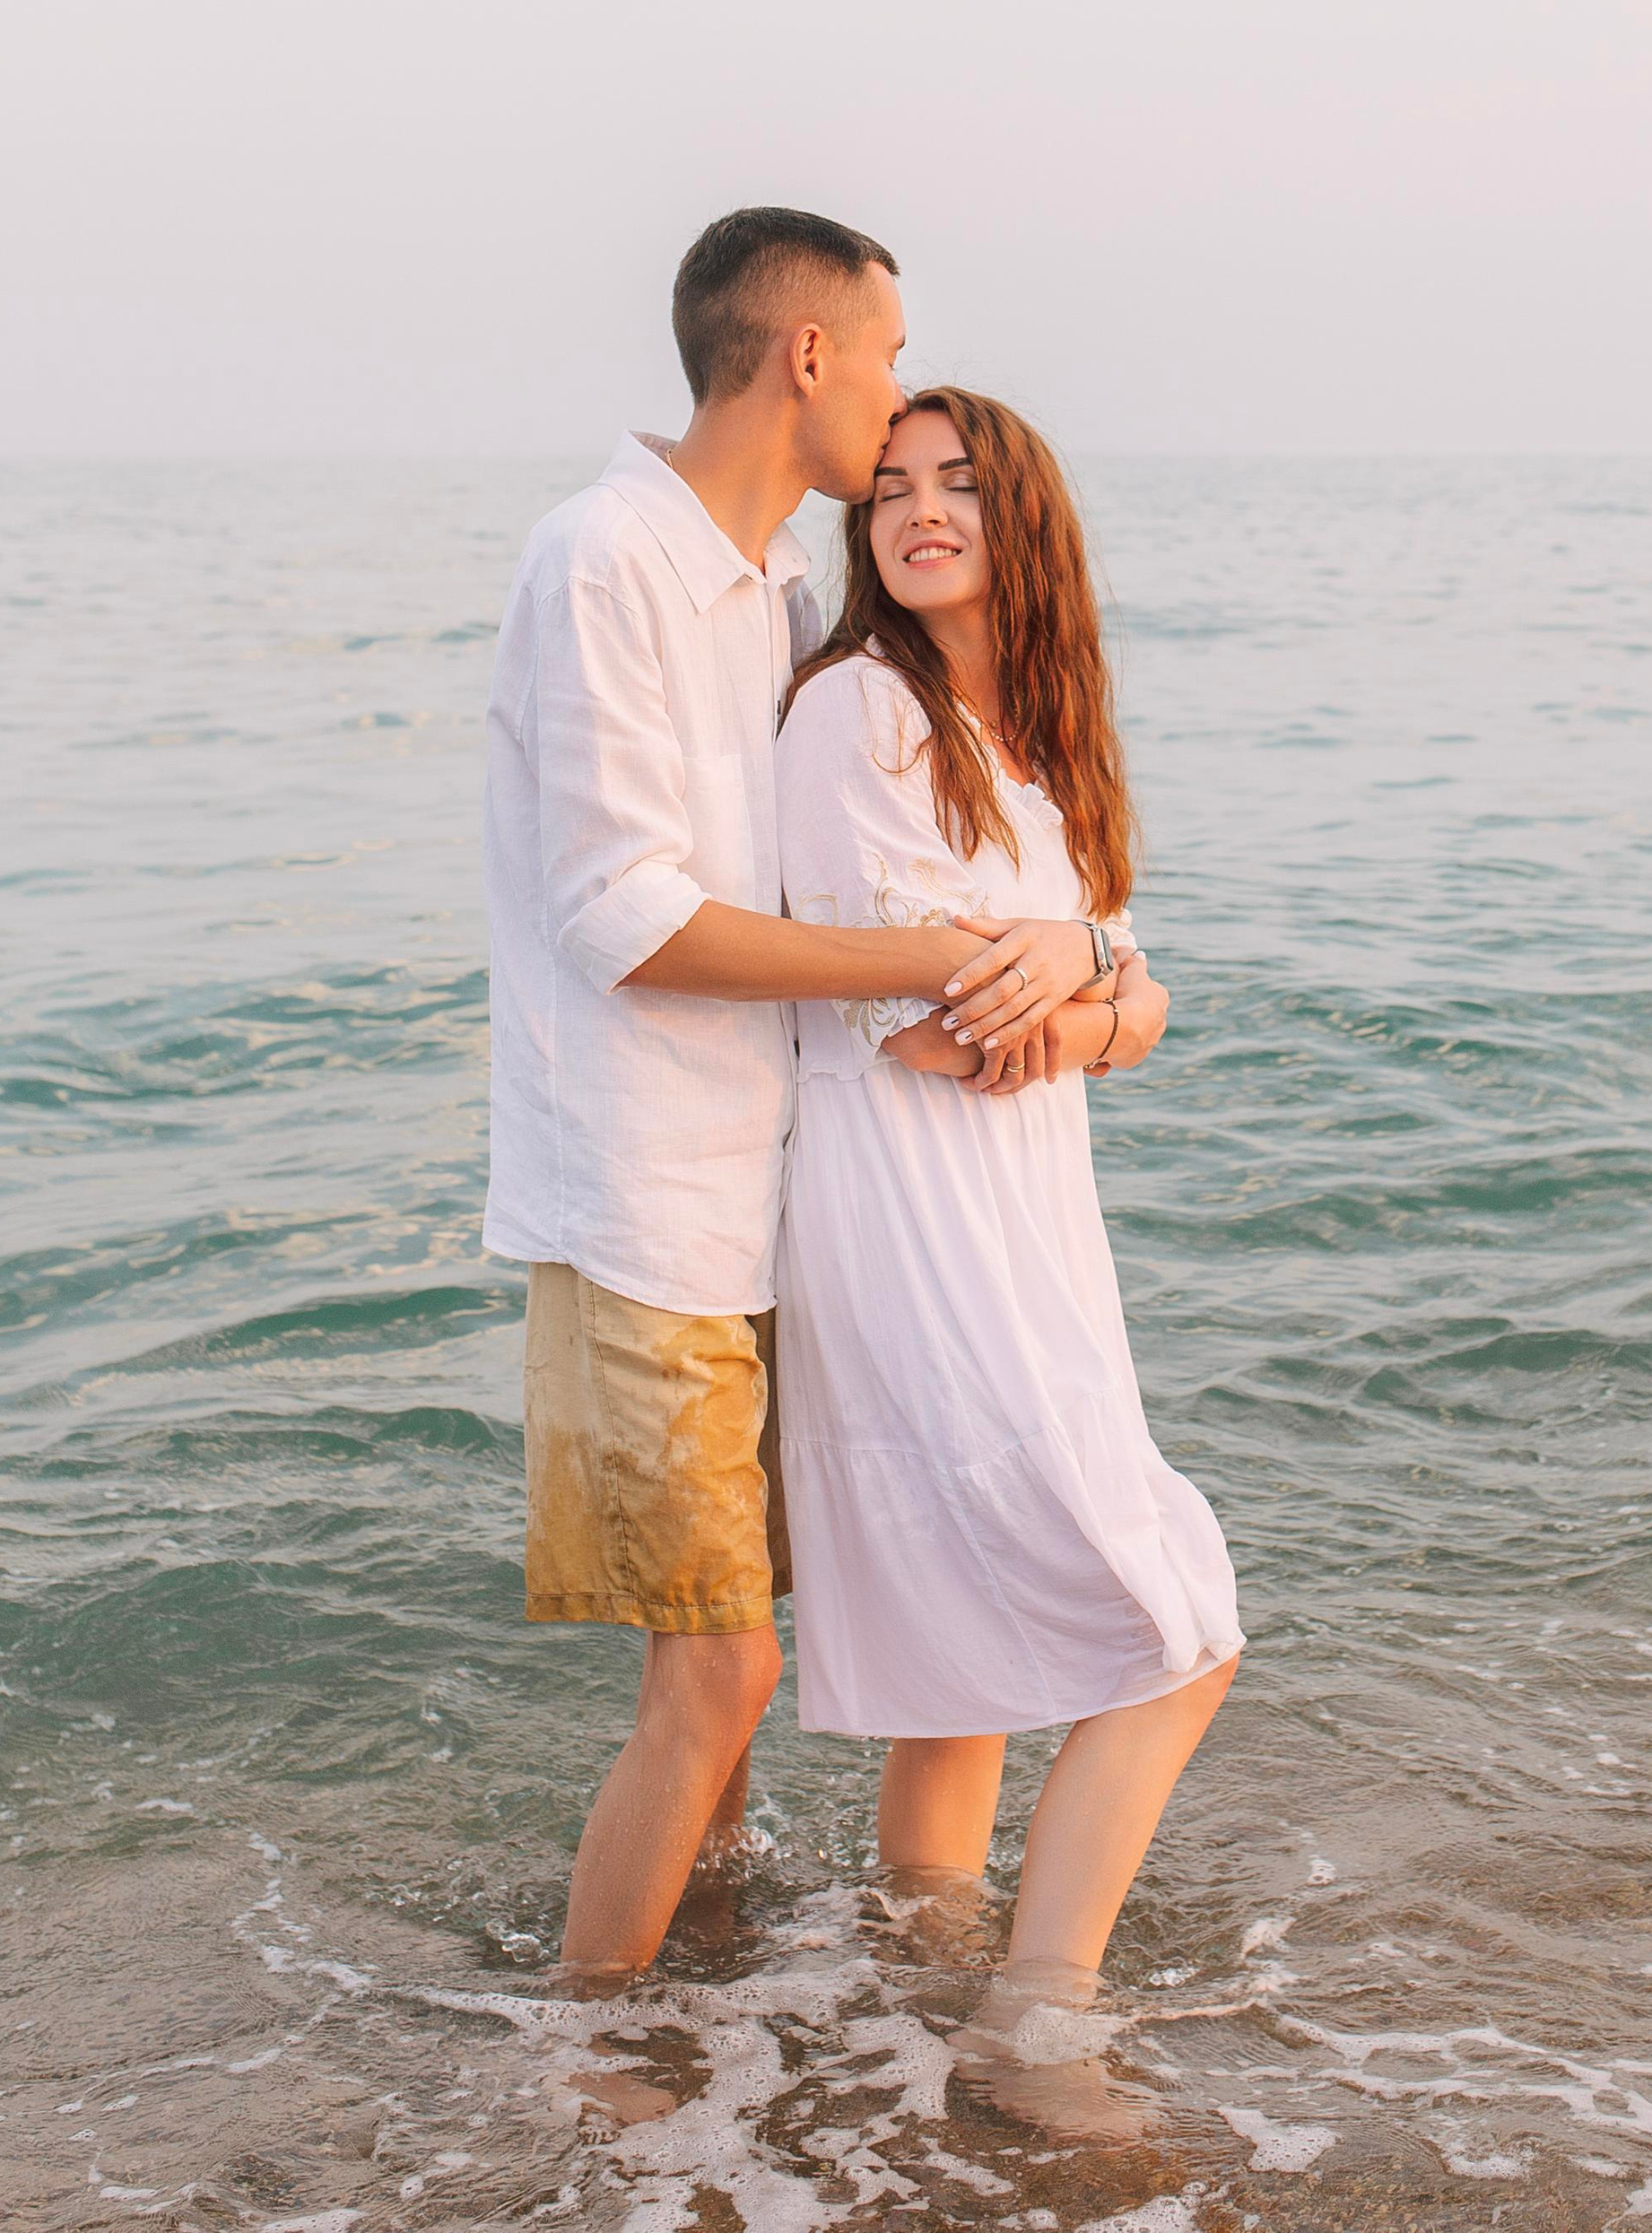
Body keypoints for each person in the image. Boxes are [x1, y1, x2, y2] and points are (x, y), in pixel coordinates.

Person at [482, 211, 1107, 1979]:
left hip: (763, 1193)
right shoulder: (605, 557)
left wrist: (1062, 968)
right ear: (808, 357)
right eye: (889, 351)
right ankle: (591, 2058)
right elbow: (626, 917)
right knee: (721, 1664)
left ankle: (710, 1949)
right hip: (638, 1197)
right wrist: (936, 958)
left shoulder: (764, 591)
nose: (899, 386)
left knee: (726, 1651)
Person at [773, 385, 1243, 2063]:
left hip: (1030, 1220)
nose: (917, 509)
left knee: (961, 1675)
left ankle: (918, 1988)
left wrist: (1092, 979)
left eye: (959, 484)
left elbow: (1137, 998)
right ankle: (1039, 2022)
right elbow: (926, 1022)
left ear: (1018, 515)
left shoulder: (1043, 740)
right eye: (891, 485)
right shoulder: (857, 714)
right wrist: (1083, 981)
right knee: (1177, 1627)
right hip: (909, 1211)